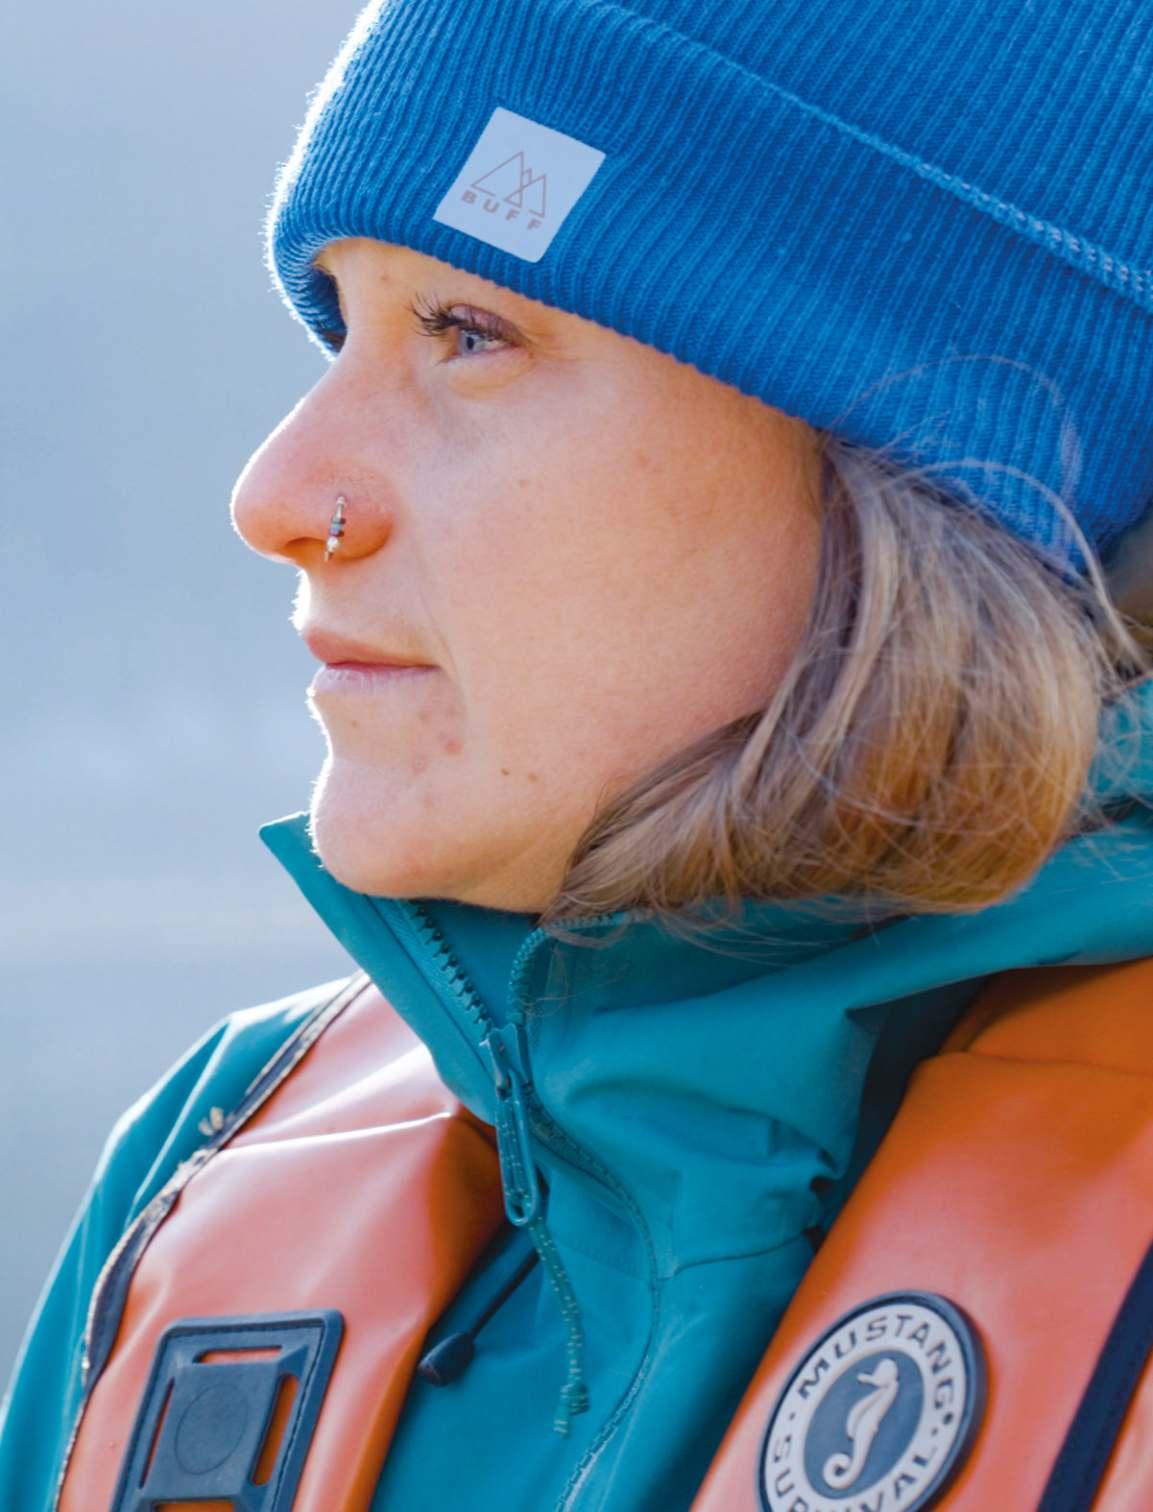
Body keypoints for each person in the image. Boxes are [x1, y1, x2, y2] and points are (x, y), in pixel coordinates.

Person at [5, 0, 1153, 1507]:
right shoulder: (211, 1175)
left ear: (943, 464)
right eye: (341, 326)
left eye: (468, 332)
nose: (278, 495)